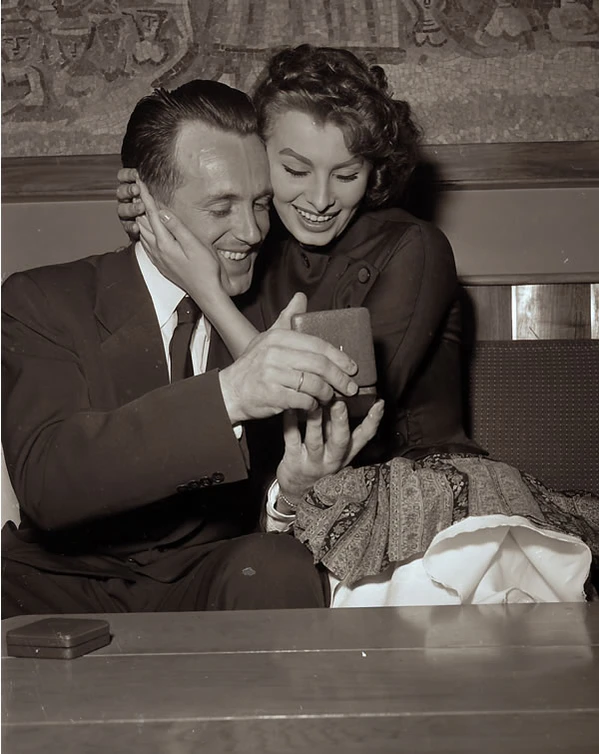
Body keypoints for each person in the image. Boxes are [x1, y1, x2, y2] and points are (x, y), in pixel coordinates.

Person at [116, 45, 598, 606]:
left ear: (373, 171)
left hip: (416, 494)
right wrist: (154, 212)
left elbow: (333, 407)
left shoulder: (414, 246)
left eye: (346, 174)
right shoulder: (248, 243)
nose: (320, 199)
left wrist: (206, 290)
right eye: (294, 170)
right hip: (279, 508)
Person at [1, 78, 385, 618]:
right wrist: (229, 395)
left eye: (260, 204)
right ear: (146, 203)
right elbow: (49, 484)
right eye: (221, 207)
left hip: (200, 580)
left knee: (277, 567)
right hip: (59, 581)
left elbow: (251, 523)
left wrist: (291, 493)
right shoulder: (44, 299)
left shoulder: (268, 323)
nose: (251, 231)